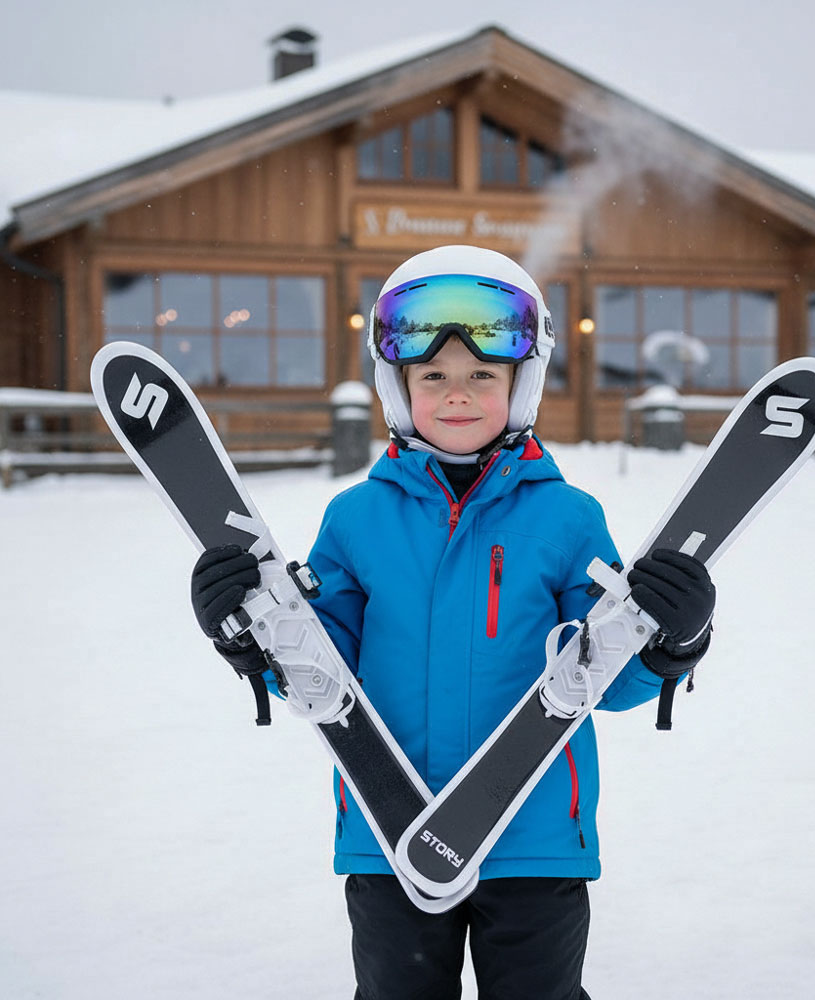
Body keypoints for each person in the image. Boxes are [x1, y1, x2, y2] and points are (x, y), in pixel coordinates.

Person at [190, 245, 716, 1000]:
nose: (457, 395)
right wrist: (246, 633)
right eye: (432, 376)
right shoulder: (355, 519)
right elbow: (321, 670)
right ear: (399, 387)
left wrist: (674, 639)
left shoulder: (568, 519)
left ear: (520, 385)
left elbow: (608, 677)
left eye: (482, 376)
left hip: (533, 840)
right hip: (389, 830)